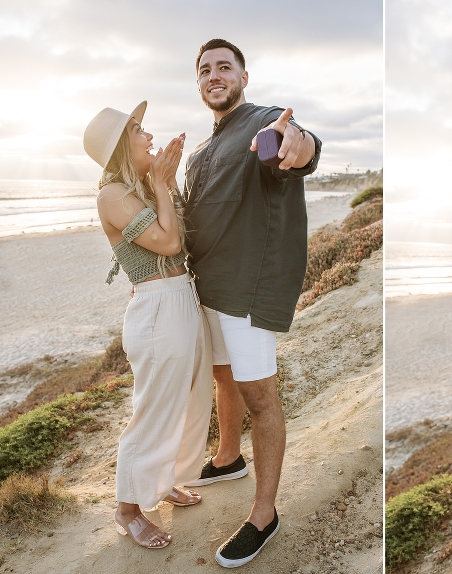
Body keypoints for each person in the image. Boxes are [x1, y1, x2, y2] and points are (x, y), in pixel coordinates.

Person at [180, 39, 321, 568]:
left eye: (224, 67)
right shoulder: (201, 150)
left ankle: (264, 513)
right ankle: (228, 456)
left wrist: (297, 142)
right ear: (199, 84)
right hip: (206, 286)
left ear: (243, 75)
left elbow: (296, 147)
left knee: (260, 395)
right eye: (205, 70)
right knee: (223, 377)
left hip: (247, 288)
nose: (214, 75)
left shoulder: (264, 122)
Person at [83, 102, 213, 549]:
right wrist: (159, 182)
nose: (149, 135)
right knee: (155, 410)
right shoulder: (112, 195)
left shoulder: (138, 186)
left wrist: (165, 182)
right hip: (158, 308)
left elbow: (182, 229)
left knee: (189, 400)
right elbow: (169, 241)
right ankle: (127, 509)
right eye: (138, 130)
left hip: (183, 298)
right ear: (121, 146)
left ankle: (165, 481)